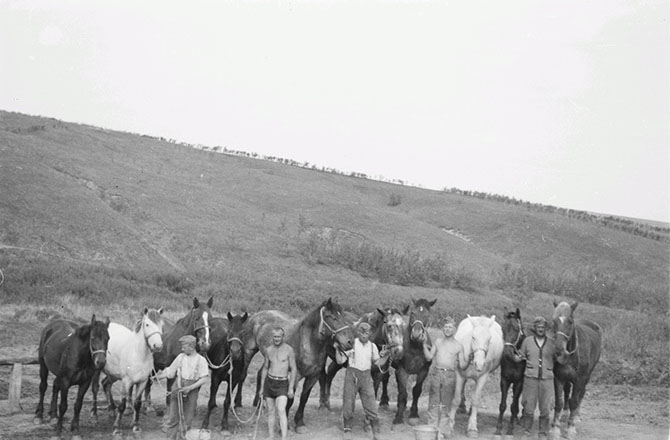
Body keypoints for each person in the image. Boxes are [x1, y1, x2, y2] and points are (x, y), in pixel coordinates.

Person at [334, 321, 390, 440]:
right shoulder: (352, 344)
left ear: (370, 333)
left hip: (366, 377)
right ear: (358, 332)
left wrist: (386, 356)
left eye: (367, 333)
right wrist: (337, 349)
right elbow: (340, 361)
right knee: (348, 403)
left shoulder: (372, 346)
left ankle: (375, 431)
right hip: (352, 375)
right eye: (362, 332)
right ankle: (347, 430)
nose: (364, 335)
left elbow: (377, 362)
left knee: (371, 404)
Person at [421, 316, 470, 438]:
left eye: (450, 327)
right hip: (437, 373)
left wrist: (470, 359)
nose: (448, 329)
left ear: (454, 329)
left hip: (450, 375)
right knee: (433, 403)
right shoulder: (438, 342)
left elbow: (463, 366)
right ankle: (432, 430)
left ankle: (442, 432)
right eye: (446, 327)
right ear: (443, 329)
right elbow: (428, 357)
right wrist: (423, 344)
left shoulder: (459, 346)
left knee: (446, 405)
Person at [156, 334, 210, 440]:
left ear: (192, 346)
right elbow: (170, 372)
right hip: (178, 388)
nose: (182, 349)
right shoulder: (181, 357)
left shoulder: (201, 360)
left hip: (192, 391)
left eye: (184, 347)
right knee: (173, 419)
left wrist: (190, 388)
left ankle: (183, 438)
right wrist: (158, 377)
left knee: (187, 420)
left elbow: (204, 378)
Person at [516, 316, 555, 439]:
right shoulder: (527, 341)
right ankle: (526, 432)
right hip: (530, 378)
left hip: (547, 378)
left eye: (543, 327)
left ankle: (542, 433)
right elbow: (520, 356)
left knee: (546, 407)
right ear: (534, 328)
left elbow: (559, 359)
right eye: (538, 327)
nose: (541, 329)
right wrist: (514, 356)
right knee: (528, 405)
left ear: (546, 329)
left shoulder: (552, 343)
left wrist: (564, 355)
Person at [259, 327, 297, 440]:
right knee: (270, 411)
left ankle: (284, 437)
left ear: (283, 337)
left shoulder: (289, 350)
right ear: (272, 337)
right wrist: (261, 388)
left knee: (281, 409)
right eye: (275, 336)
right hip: (270, 382)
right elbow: (265, 368)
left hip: (282, 383)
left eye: (279, 337)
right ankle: (271, 436)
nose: (277, 339)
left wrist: (291, 388)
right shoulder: (268, 350)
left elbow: (294, 369)